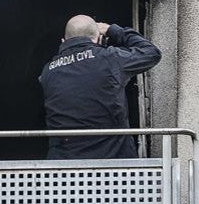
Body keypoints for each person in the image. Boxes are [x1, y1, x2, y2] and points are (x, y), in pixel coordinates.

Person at [38, 14, 162, 159]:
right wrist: (112, 30)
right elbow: (152, 53)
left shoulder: (47, 71)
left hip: (64, 169)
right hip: (113, 167)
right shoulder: (110, 58)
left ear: (63, 41)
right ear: (99, 39)